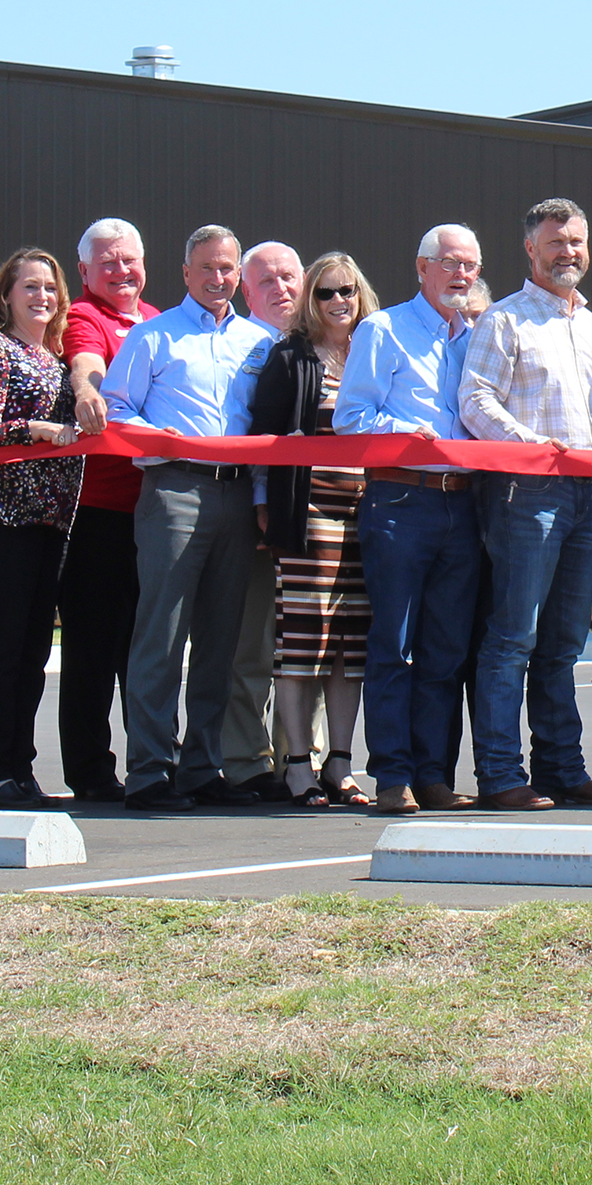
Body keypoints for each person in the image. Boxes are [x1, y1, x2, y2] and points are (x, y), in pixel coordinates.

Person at [459, 197, 592, 809]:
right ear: (531, 250)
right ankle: (502, 776)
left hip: (584, 494)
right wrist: (535, 449)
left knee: (563, 643)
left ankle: (560, 767)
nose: (568, 253)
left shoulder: (589, 324)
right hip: (526, 492)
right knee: (513, 638)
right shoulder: (503, 321)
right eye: (556, 243)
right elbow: (474, 401)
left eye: (577, 242)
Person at [100, 224, 273, 811]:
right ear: (185, 273)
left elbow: (265, 426)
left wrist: (261, 501)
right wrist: (161, 439)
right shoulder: (153, 337)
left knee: (220, 641)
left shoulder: (259, 342)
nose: (219, 279)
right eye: (208, 269)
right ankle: (150, 771)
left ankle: (202, 768)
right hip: (174, 491)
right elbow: (118, 411)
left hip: (236, 496)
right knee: (161, 637)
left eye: (228, 269)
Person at [336, 224, 488, 817]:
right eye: (449, 262)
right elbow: (351, 418)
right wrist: (400, 435)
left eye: (470, 265)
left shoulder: (477, 336)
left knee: (446, 650)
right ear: (421, 267)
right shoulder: (383, 329)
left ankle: (433, 775)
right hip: (401, 501)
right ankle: (392, 775)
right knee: (394, 646)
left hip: (464, 502)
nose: (461, 274)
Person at [0, 249, 87, 809]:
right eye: (29, 287)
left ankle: (20, 766)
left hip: (50, 519)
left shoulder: (56, 361)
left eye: (51, 288)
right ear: (5, 295)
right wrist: (37, 429)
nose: (42, 297)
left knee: (35, 648)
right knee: (5, 643)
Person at [251, 251, 380, 807]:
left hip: (369, 517)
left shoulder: (376, 351)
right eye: (325, 293)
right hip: (308, 516)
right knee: (304, 644)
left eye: (346, 291)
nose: (338, 303)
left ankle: (341, 763)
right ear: (310, 298)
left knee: (353, 647)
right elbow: (264, 436)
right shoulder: (291, 356)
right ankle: (298, 763)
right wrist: (263, 503)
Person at [57, 218, 156, 802]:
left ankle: (150, 764)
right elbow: (86, 363)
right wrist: (89, 391)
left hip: (157, 510)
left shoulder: (159, 322)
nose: (122, 271)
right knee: (94, 650)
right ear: (85, 271)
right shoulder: (84, 316)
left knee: (144, 650)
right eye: (108, 261)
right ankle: (91, 772)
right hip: (99, 511)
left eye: (130, 260)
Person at [217, 240, 309, 802]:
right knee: (252, 645)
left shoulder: (326, 345)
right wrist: (259, 501)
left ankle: (304, 757)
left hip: (319, 517)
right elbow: (250, 432)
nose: (280, 288)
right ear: (246, 291)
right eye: (265, 280)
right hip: (261, 511)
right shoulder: (248, 349)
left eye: (288, 276)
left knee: (306, 645)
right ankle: (246, 759)